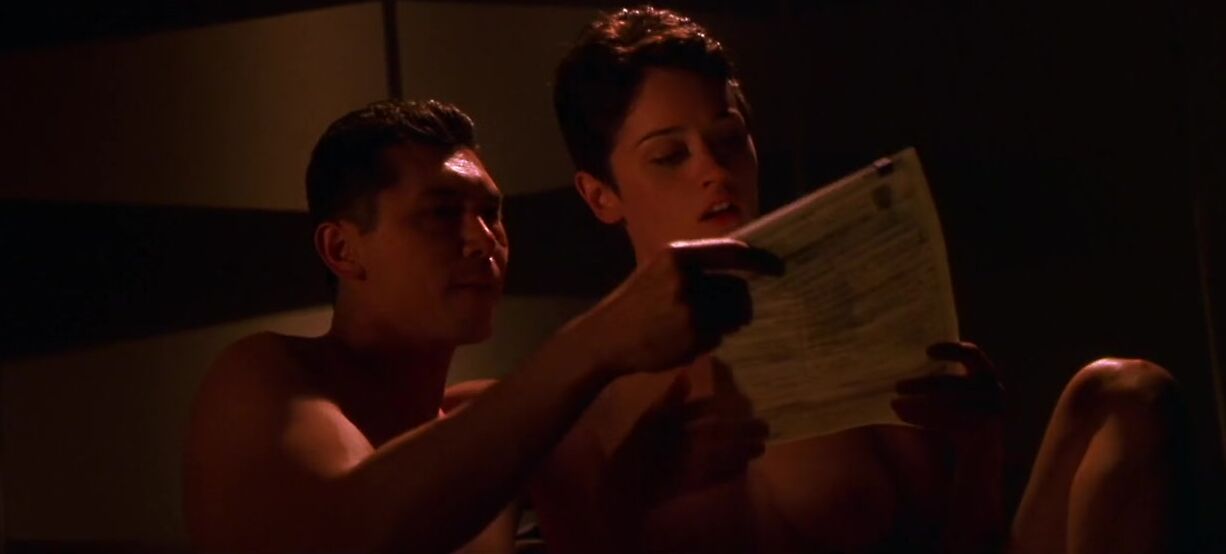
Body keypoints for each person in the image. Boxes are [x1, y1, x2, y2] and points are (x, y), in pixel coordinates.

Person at [534, 6, 1182, 553]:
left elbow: (959, 540)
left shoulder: (847, 323)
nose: (713, 171)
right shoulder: (580, 403)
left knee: (1128, 391)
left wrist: (978, 447)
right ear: (600, 195)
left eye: (728, 139)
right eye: (669, 155)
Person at [182, 98, 781, 553]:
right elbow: (351, 531)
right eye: (442, 214)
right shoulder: (266, 376)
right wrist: (594, 342)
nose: (483, 239)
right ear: (343, 249)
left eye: (492, 212)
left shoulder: (492, 428)